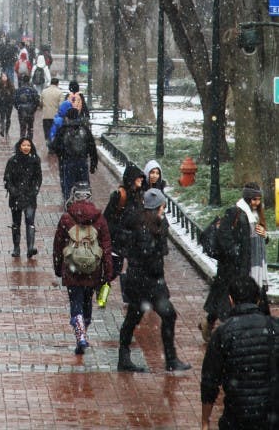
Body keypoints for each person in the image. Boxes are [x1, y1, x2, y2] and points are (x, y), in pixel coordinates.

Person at [117, 187, 190, 372]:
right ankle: (127, 357)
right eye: (162, 207)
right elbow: (151, 255)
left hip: (146, 282)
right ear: (156, 207)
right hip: (145, 283)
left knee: (147, 317)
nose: (164, 210)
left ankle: (169, 359)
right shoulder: (145, 229)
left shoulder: (152, 225)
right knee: (137, 318)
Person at [200, 275, 279, 430]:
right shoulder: (275, 328)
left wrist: (205, 421)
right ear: (258, 300)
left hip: (237, 416)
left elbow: (210, 381)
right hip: (271, 416)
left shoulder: (223, 333)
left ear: (231, 300)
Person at [201, 181, 270, 342]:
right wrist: (235, 252)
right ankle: (215, 325)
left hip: (254, 263)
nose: (256, 203)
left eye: (258, 199)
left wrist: (264, 235)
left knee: (255, 296)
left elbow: (260, 240)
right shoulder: (235, 212)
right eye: (253, 199)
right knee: (226, 298)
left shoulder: (256, 214)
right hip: (234, 266)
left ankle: (263, 330)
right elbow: (224, 235)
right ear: (246, 198)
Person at [52, 182, 113, 354]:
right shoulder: (99, 219)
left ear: (74, 197)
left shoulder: (66, 218)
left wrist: (58, 266)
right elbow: (107, 246)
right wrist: (107, 272)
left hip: (71, 269)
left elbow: (58, 245)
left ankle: (80, 335)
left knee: (75, 302)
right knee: (87, 302)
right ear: (89, 197)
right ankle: (84, 327)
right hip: (92, 269)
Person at [103, 163, 146, 291]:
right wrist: (116, 233)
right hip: (119, 239)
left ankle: (130, 297)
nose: (141, 179)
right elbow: (107, 218)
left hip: (134, 239)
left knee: (134, 268)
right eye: (138, 177)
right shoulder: (119, 195)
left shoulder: (140, 196)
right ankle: (102, 288)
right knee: (115, 269)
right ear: (131, 178)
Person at [3, 137, 42, 259]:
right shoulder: (12, 161)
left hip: (30, 196)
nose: (26, 148)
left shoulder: (35, 160)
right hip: (16, 196)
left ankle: (30, 247)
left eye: (28, 145)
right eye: (24, 145)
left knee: (30, 221)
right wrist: (13, 190)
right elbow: (7, 178)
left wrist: (34, 190)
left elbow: (38, 178)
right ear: (20, 146)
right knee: (16, 222)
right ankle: (16, 247)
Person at [52, 104, 97, 201]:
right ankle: (84, 204)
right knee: (83, 184)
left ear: (67, 116)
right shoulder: (84, 129)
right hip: (82, 161)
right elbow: (92, 147)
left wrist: (62, 155)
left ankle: (68, 203)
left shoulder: (63, 129)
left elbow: (55, 146)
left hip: (68, 162)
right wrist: (93, 163)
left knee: (67, 185)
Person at [14, 74, 40, 141]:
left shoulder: (19, 90)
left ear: (22, 81)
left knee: (22, 127)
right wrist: (33, 109)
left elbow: (15, 101)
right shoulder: (33, 90)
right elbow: (37, 101)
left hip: (21, 111)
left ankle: (22, 141)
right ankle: (29, 141)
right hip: (30, 111)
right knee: (30, 127)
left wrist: (18, 108)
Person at [40, 73, 64, 145]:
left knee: (47, 130)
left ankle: (48, 142)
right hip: (55, 116)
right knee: (55, 131)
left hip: (46, 115)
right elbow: (61, 105)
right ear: (57, 84)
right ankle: (54, 144)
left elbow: (41, 103)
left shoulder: (44, 91)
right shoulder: (60, 92)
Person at [0, 71, 16, 139]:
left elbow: (14, 95)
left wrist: (9, 95)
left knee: (8, 118)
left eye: (5, 76)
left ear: (7, 77)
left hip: (9, 104)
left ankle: (7, 131)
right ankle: (2, 129)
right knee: (2, 117)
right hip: (1, 104)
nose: (4, 78)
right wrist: (0, 97)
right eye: (3, 76)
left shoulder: (11, 85)